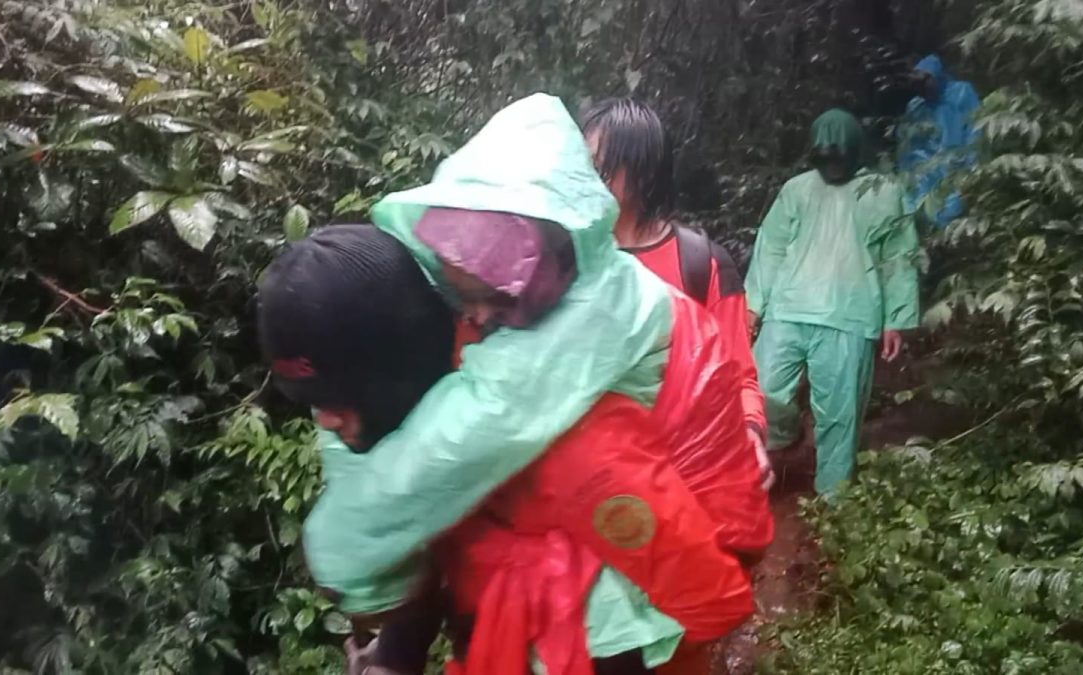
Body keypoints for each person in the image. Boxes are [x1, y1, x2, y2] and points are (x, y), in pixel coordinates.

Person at [261, 94, 767, 674]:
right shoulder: (496, 296)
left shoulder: (590, 317)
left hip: (639, 604)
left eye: (493, 302)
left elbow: (451, 447)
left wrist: (343, 551)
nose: (477, 317)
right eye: (466, 300)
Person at [578, 98, 773, 489]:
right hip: (590, 475)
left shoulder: (702, 264)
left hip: (682, 477)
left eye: (600, 168)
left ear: (643, 172)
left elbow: (736, 375)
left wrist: (749, 432)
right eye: (581, 167)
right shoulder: (571, 260)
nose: (586, 181)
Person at [744, 109, 920, 497]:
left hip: (851, 314)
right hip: (788, 308)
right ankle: (775, 449)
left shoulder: (883, 192)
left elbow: (899, 257)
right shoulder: (797, 190)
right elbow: (771, 248)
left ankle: (833, 502)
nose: (831, 166)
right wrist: (754, 304)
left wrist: (896, 319)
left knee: (840, 415)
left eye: (838, 157)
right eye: (823, 158)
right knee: (760, 389)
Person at [898, 54, 980, 228]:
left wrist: (973, 173)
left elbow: (975, 132)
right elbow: (908, 152)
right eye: (917, 85)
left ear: (935, 78)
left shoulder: (961, 94)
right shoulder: (916, 107)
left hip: (957, 172)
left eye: (924, 83)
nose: (921, 89)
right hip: (927, 179)